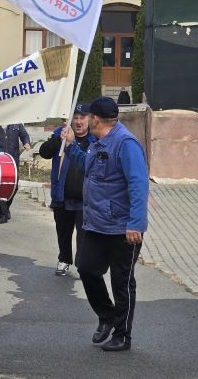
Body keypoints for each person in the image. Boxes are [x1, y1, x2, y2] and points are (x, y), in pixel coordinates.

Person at [64, 96, 148, 352]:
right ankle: (107, 315)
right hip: (97, 225)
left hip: (123, 229)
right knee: (87, 268)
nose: (84, 120)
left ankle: (123, 335)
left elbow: (139, 185)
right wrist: (70, 147)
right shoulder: (97, 142)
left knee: (121, 282)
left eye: (88, 116)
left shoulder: (126, 144)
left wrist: (135, 224)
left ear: (95, 119)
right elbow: (89, 167)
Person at [40, 104, 94, 275]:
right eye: (75, 118)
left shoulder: (95, 139)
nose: (78, 122)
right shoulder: (60, 134)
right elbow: (44, 152)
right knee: (63, 232)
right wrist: (58, 140)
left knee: (84, 234)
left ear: (89, 119)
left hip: (85, 198)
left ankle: (82, 264)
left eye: (82, 118)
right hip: (62, 195)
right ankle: (64, 259)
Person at [0, 123, 31, 224]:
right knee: (0, 186)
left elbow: (24, 135)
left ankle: (6, 206)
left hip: (13, 160)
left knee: (14, 186)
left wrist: (26, 143)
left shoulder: (16, 124)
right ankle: (3, 213)